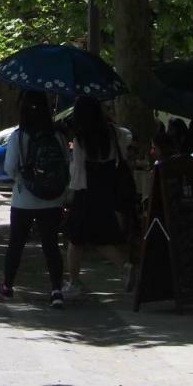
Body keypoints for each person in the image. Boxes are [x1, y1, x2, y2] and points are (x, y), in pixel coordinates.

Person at [0, 92, 70, 307]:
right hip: (53, 199)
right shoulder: (58, 135)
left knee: (16, 243)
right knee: (51, 245)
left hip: (24, 199)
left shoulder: (19, 136)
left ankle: (7, 286)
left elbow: (10, 167)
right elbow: (66, 164)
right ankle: (56, 290)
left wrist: (24, 180)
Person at [63, 95, 137, 298]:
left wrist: (71, 195)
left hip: (85, 193)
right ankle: (124, 266)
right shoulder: (114, 134)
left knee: (75, 239)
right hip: (105, 192)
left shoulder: (80, 139)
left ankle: (74, 282)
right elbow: (127, 137)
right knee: (99, 238)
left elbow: (77, 173)